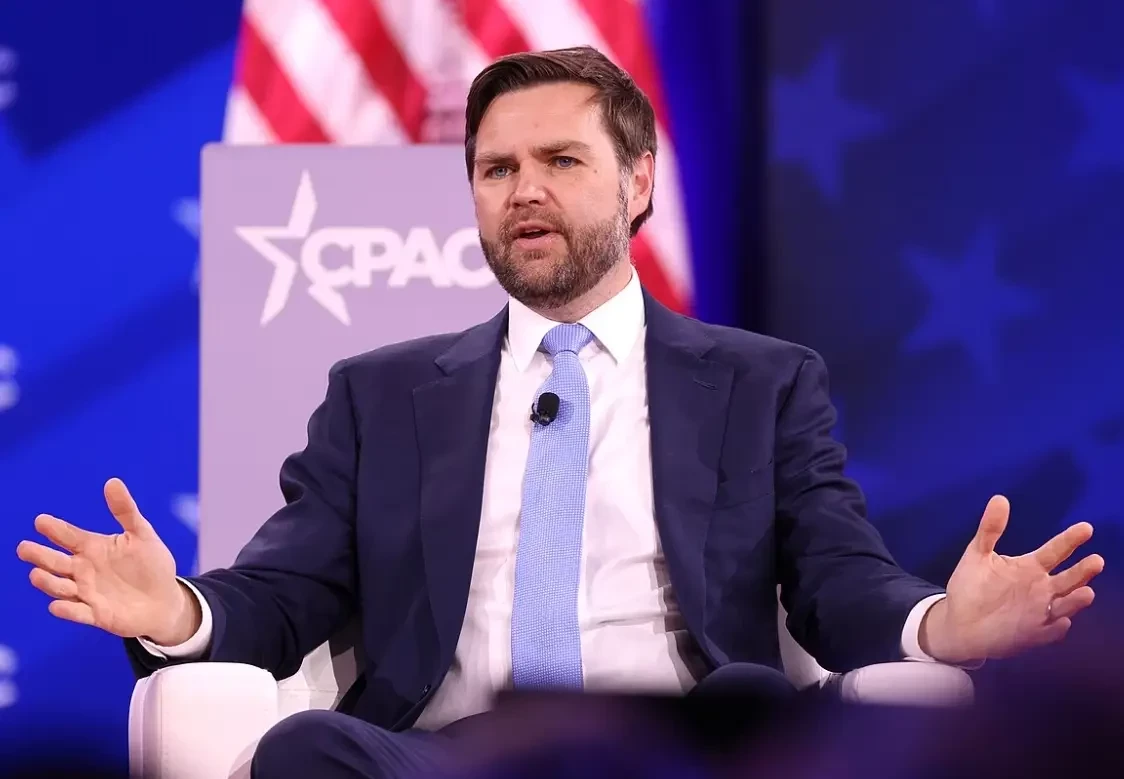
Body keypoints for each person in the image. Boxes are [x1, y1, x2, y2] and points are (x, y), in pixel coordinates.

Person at [15, 46, 1104, 778]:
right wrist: (177, 611)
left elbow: (835, 576)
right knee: (304, 748)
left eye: (560, 161)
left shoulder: (763, 380)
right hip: (450, 752)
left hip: (681, 740)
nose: (522, 190)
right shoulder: (380, 392)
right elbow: (284, 590)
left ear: (638, 182)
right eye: (495, 169)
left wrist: (936, 625)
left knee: (752, 701)